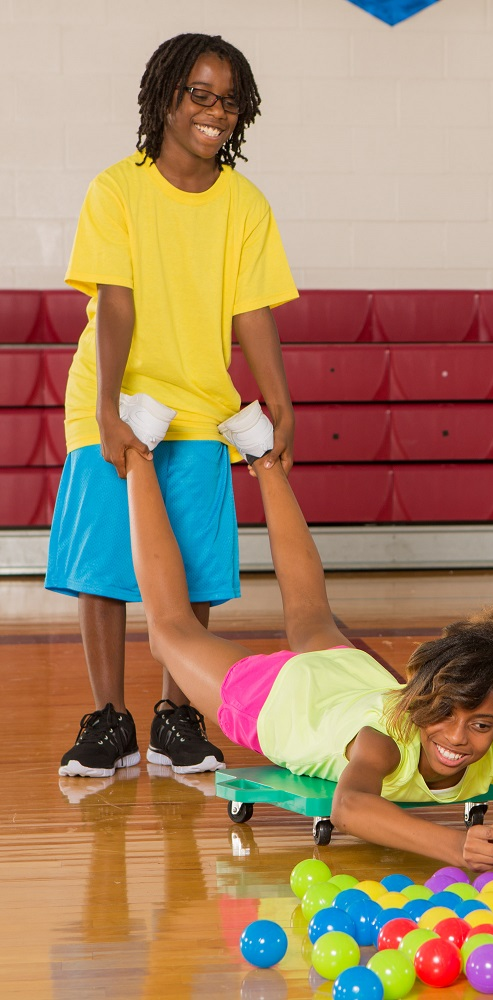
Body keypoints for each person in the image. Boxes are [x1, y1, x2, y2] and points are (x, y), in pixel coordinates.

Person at [121, 398, 493, 872]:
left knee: (310, 614)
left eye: (483, 724)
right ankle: (139, 451)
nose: (458, 737)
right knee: (170, 629)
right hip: (282, 701)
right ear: (426, 694)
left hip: (353, 681)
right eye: (447, 712)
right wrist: (453, 847)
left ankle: (263, 454)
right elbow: (348, 807)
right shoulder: (386, 740)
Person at [47, 32, 298, 778]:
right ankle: (109, 719)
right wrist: (109, 410)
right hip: (113, 399)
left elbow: (253, 314)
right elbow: (115, 305)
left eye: (229, 101)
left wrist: (281, 405)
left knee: (188, 572)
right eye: (200, 94)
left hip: (200, 410)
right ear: (164, 98)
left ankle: (173, 716)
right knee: (103, 569)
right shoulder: (116, 189)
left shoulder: (245, 205)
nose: (215, 112)